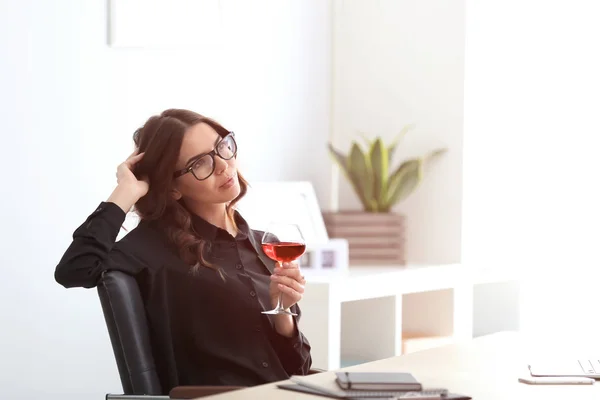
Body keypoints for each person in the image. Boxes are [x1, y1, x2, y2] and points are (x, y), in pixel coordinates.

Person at [54, 108, 312, 391]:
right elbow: (75, 269)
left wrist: (283, 315)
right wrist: (125, 192)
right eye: (201, 163)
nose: (224, 165)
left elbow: (298, 370)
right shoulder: (154, 251)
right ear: (173, 188)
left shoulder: (268, 247)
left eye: (222, 147)